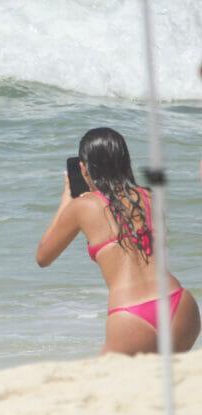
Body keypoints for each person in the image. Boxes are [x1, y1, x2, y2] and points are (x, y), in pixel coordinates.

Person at [36, 127, 200, 355]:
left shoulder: (83, 206)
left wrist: (67, 200)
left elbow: (43, 257)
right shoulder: (149, 196)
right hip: (180, 304)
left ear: (84, 168)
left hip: (131, 315)